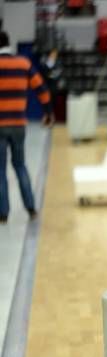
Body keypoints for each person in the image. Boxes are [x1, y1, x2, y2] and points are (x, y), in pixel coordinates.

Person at [0, 32, 55, 224]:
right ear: (9, 44)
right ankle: (31, 208)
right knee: (20, 166)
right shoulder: (23, 64)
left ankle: (3, 213)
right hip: (18, 125)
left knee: (0, 171)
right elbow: (42, 90)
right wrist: (48, 113)